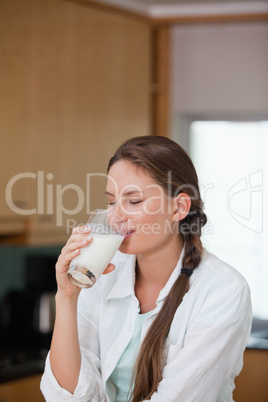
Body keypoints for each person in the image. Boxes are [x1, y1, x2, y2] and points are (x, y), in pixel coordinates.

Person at [40, 135, 252, 402]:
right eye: (112, 201)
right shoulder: (102, 275)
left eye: (134, 201)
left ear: (179, 207)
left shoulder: (224, 291)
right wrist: (67, 296)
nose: (116, 216)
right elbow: (66, 397)